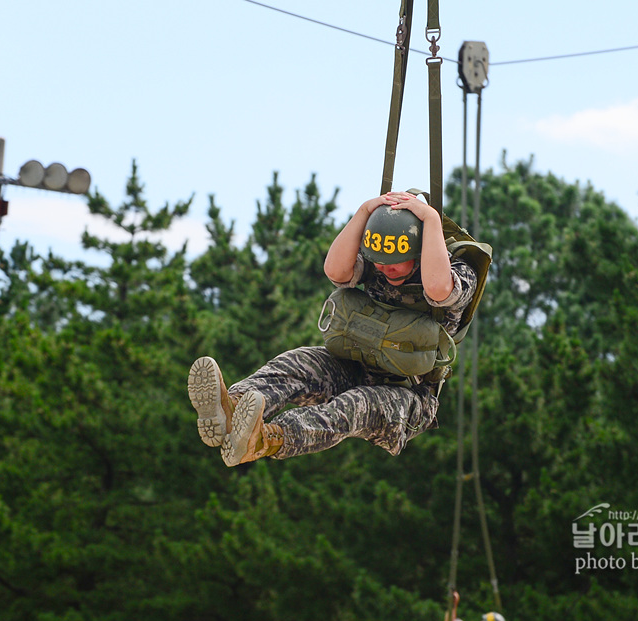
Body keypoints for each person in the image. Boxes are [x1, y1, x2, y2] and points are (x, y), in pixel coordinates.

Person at [187, 190, 481, 466]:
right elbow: (336, 270)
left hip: (407, 397)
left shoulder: (456, 272)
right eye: (379, 260)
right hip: (356, 366)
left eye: (395, 261)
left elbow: (439, 289)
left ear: (419, 251)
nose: (385, 268)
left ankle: (265, 440)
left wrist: (430, 219)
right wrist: (365, 211)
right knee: (298, 362)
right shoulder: (378, 262)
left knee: (354, 405)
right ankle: (232, 408)